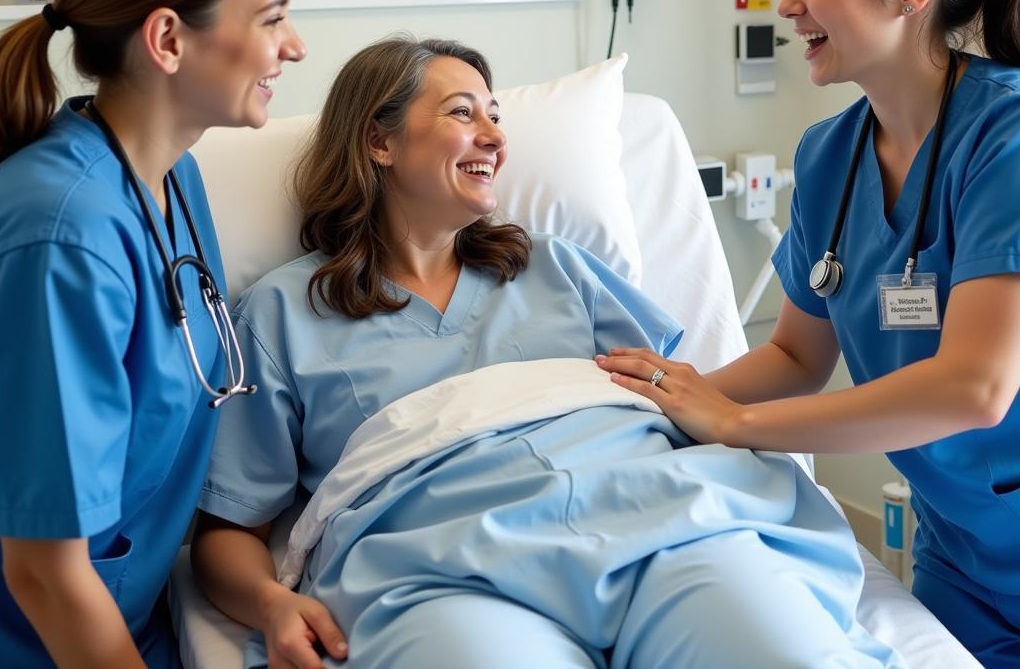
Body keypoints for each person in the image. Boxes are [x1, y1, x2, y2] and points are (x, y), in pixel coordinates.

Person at [192, 35, 901, 669]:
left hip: (665, 525)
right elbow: (228, 529)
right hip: (441, 569)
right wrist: (270, 604)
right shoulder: (285, 311)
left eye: (496, 115)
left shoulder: (557, 266)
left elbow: (676, 401)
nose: (494, 136)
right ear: (380, 141)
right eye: (463, 112)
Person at [599, 0, 1020, 667]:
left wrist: (738, 424)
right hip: (961, 548)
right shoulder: (831, 155)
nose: (788, 4)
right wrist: (664, 399)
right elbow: (798, 353)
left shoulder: (1004, 140)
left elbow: (978, 387)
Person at [0, 0, 306, 668]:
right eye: (272, 18)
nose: (294, 46)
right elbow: (41, 570)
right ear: (167, 39)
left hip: (133, 618)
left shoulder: (173, 176)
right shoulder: (63, 237)